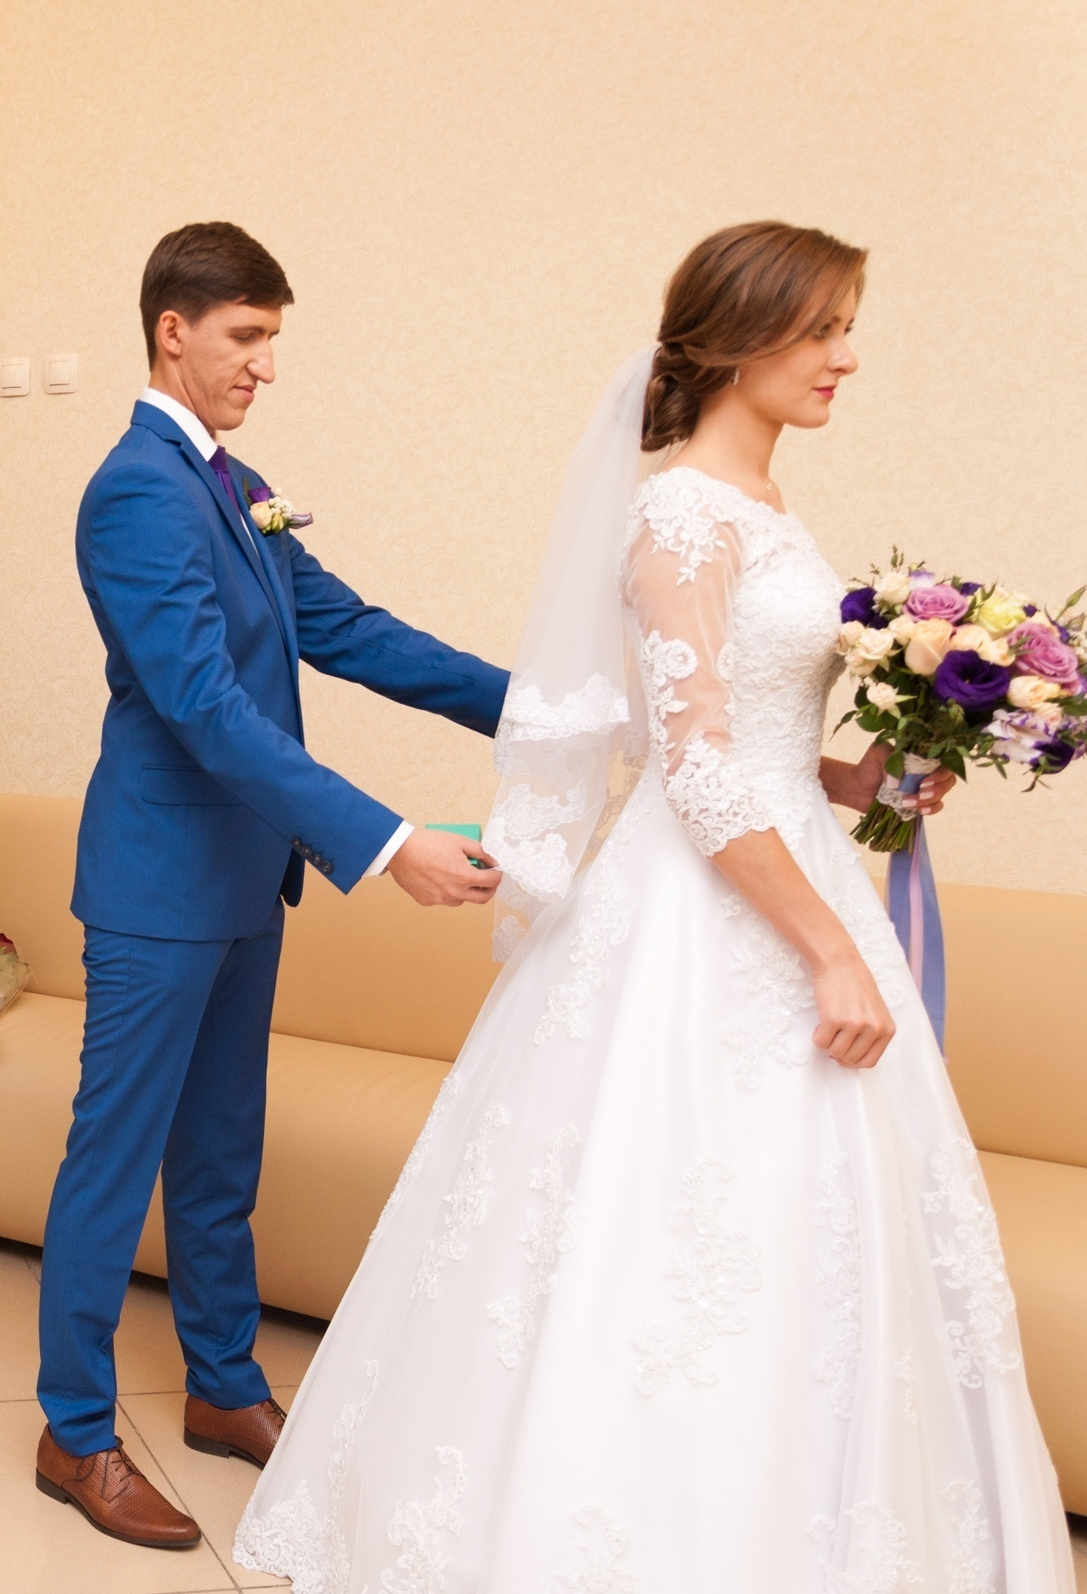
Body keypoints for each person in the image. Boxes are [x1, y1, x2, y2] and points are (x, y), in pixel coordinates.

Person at [235, 224, 1076, 1589]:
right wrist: (830, 955)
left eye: (846, 328)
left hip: (790, 863)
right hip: (711, 917)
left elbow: (745, 734)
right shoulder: (677, 510)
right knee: (656, 1232)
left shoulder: (771, 508)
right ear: (740, 339)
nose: (846, 358)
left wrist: (869, 766)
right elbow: (688, 770)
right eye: (822, 332)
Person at [38, 223, 511, 1549]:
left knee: (219, 1157)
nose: (263, 365)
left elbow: (349, 630)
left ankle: (222, 1384)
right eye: (245, 338)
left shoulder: (239, 486)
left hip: (246, 878)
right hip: (155, 879)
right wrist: (382, 836)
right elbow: (199, 702)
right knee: (111, 1163)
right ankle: (73, 1431)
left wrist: (536, 711)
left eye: (271, 341)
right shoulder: (135, 490)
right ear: (171, 330)